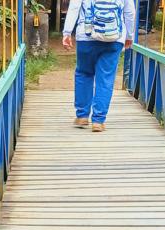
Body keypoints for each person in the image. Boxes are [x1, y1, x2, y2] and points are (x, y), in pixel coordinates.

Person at [62, 0, 137, 133]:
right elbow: (129, 12)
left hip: (86, 36)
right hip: (114, 37)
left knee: (84, 73)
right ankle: (98, 121)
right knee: (106, 79)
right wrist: (129, 35)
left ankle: (82, 116)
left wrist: (67, 32)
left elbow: (74, 7)